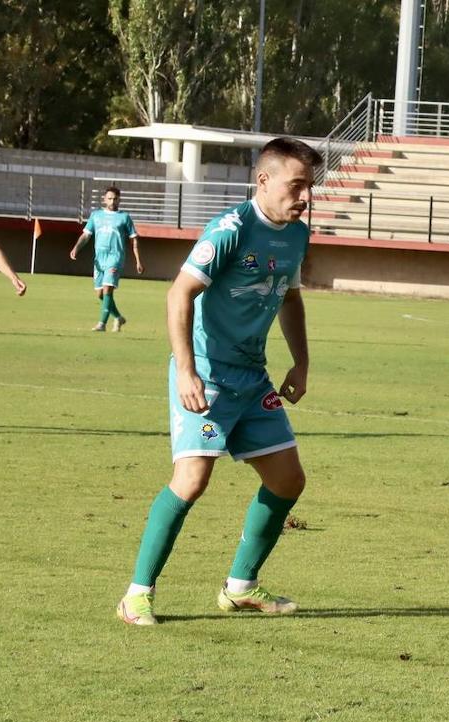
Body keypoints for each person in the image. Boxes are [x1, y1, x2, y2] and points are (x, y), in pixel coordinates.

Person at [115, 137, 321, 626]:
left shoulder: (297, 235)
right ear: (264, 180)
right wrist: (186, 369)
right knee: (192, 480)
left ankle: (241, 587)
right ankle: (136, 594)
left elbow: (290, 298)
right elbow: (179, 294)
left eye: (309, 187)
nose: (304, 197)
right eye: (296, 185)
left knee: (288, 479)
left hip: (253, 377)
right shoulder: (229, 229)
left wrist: (301, 362)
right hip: (206, 372)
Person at [70, 186, 142, 331]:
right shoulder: (96, 215)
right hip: (99, 259)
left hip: (115, 258)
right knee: (100, 293)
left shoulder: (124, 217)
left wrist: (138, 260)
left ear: (119, 200)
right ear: (104, 199)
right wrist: (76, 248)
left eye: (115, 198)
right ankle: (118, 317)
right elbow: (86, 235)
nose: (112, 201)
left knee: (108, 289)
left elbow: (134, 239)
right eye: (109, 198)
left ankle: (102, 324)